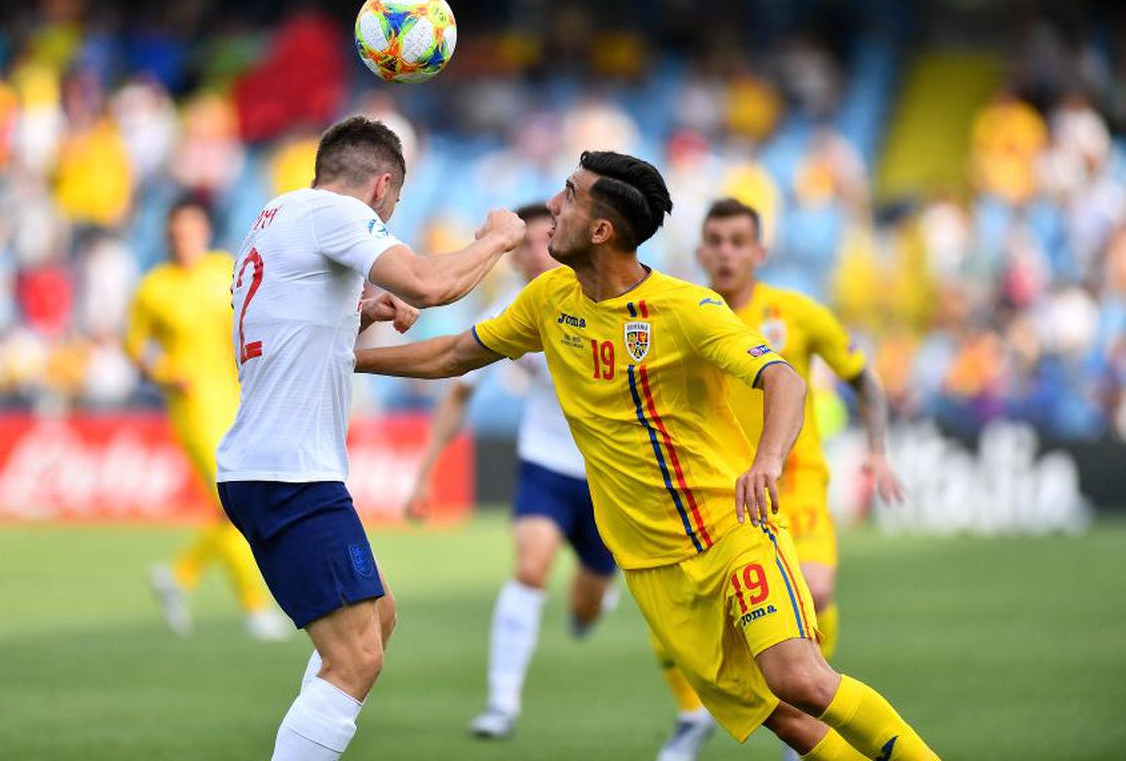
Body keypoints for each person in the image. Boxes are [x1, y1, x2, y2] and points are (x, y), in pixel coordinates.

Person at [355, 151, 940, 760]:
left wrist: (767, 461)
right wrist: (347, 356)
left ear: (601, 230)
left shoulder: (688, 309)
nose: (553, 208)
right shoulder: (551, 297)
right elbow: (453, 354)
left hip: (728, 531)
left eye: (569, 196)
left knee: (800, 679)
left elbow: (784, 380)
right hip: (650, 564)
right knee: (783, 718)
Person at [214, 115, 525, 761]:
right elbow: (432, 285)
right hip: (288, 474)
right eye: (396, 204)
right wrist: (499, 239)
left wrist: (362, 310)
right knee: (355, 659)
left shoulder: (277, 216)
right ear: (381, 186)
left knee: (376, 620)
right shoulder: (335, 215)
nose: (390, 214)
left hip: (275, 466)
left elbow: (289, 322)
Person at [651, 197, 908, 761]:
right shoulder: (682, 312)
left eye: (738, 242)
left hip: (795, 481)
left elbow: (864, 379)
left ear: (759, 252)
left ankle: (815, 690)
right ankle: (696, 713)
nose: (725, 253)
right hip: (720, 491)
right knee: (682, 614)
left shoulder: (799, 313)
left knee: (814, 588)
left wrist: (878, 449)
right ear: (700, 251)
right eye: (715, 241)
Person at [405, 203, 618, 740]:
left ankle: (593, 601)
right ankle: (502, 702)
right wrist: (425, 473)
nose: (529, 254)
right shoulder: (510, 309)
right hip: (544, 464)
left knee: (587, 604)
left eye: (539, 241)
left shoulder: (606, 301)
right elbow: (458, 386)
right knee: (529, 569)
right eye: (520, 244)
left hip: (608, 479)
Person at [125, 197, 289, 641]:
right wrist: (163, 373)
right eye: (177, 233)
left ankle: (179, 575)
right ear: (168, 236)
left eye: (192, 231)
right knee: (232, 504)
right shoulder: (154, 287)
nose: (185, 240)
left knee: (241, 503)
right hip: (193, 407)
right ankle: (254, 608)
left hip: (238, 398)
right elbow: (135, 345)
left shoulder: (223, 269)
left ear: (204, 232)